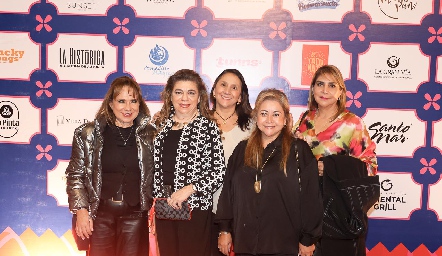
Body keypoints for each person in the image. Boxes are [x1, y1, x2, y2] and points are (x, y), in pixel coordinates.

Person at [216, 89, 323, 256]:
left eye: (276, 114)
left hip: (283, 244)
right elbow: (228, 192)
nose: (269, 120)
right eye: (264, 113)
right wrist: (224, 229)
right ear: (256, 117)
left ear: (285, 119)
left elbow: (311, 197)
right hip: (246, 243)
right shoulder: (242, 149)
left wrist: (308, 238)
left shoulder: (299, 151)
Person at [293, 65, 378, 256]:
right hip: (305, 212)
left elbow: (370, 168)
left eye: (332, 85)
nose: (325, 90)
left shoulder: (352, 123)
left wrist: (330, 168)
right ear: (312, 89)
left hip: (338, 214)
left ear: (340, 92)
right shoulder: (304, 120)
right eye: (320, 84)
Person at [66, 76, 155, 256]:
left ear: (140, 104)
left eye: (133, 101)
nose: (128, 107)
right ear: (111, 104)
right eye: (121, 101)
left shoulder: (151, 135)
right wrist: (81, 211)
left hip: (135, 216)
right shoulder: (87, 134)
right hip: (99, 216)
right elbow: (75, 175)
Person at [153, 69, 226, 256]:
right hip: (165, 209)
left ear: (199, 97)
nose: (184, 98)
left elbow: (218, 172)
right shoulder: (160, 127)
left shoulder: (208, 127)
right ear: (170, 96)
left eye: (191, 92)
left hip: (195, 210)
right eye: (179, 92)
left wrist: (188, 190)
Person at [209, 69, 253, 256]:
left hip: (241, 211)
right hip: (204, 209)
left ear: (240, 97)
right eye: (223, 84)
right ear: (213, 90)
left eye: (234, 87)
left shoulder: (253, 127)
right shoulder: (198, 122)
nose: (227, 90)